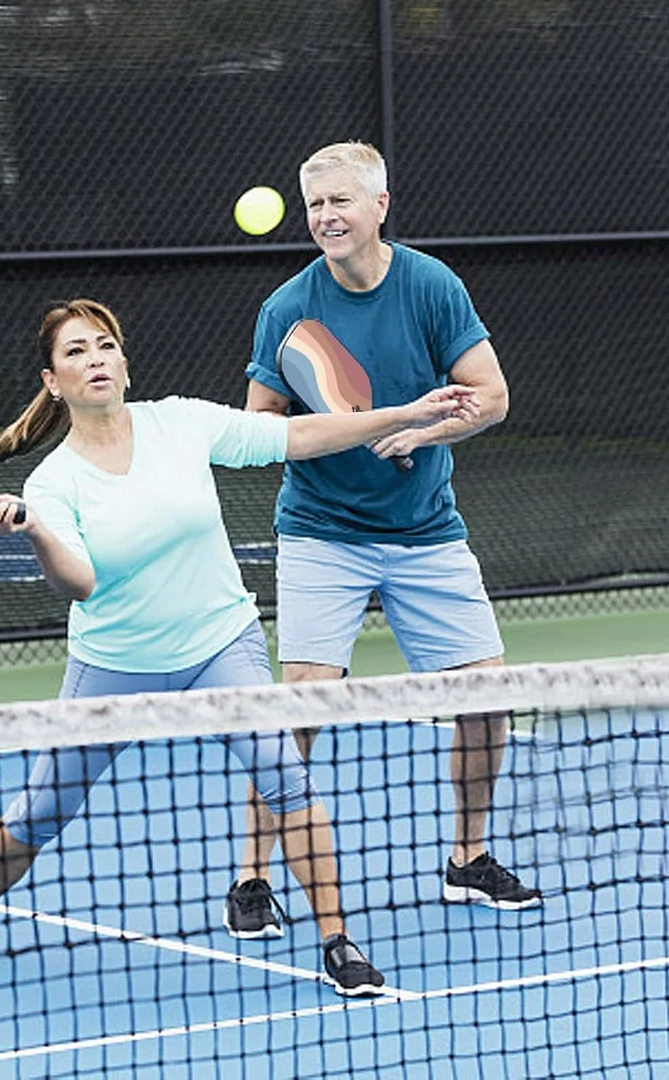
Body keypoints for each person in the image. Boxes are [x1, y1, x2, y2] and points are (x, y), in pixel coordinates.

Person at [0, 297, 479, 996]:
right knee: (44, 806)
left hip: (220, 643)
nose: (94, 360)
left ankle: (337, 940)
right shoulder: (53, 482)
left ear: (125, 365)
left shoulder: (182, 423)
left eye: (104, 346)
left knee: (285, 776)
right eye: (75, 352)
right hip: (115, 664)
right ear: (52, 381)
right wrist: (36, 530)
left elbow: (297, 435)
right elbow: (80, 584)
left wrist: (404, 415)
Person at [229, 141, 541, 939]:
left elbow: (491, 396)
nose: (326, 217)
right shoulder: (288, 309)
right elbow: (258, 427)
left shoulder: (432, 287)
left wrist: (423, 432)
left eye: (340, 201)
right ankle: (253, 875)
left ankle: (468, 857)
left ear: (379, 206)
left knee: (487, 699)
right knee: (300, 706)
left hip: (426, 529)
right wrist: (339, 428)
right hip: (322, 531)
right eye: (315, 205)